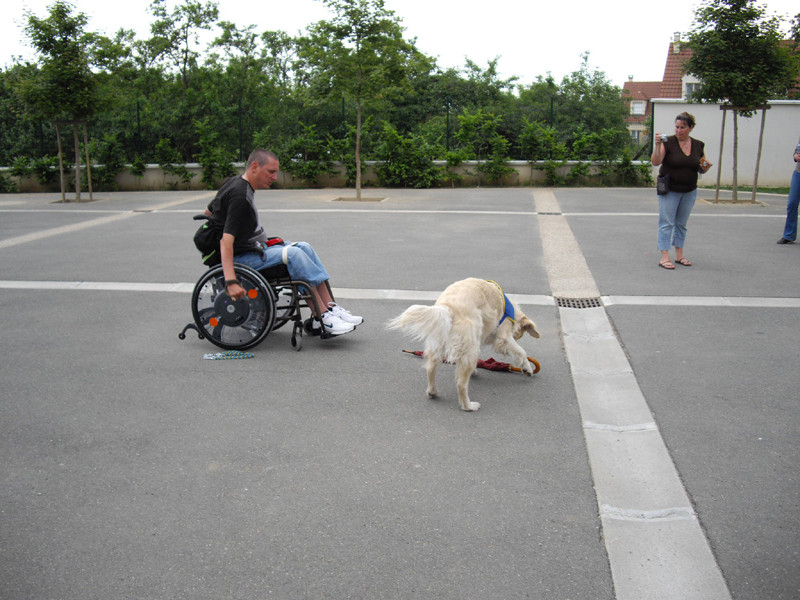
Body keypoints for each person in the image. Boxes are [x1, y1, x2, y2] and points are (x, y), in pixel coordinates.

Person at [204, 149, 362, 336]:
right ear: (255, 166)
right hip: (241, 259)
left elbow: (208, 213)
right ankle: (323, 318)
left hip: (251, 250)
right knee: (294, 255)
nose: (275, 177)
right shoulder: (240, 196)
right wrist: (230, 281)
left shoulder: (235, 182)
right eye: (271, 171)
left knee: (304, 246)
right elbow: (225, 242)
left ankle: (330, 307)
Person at [651, 112, 712, 269]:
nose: (679, 130)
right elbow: (656, 162)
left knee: (681, 223)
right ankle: (664, 256)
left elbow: (701, 167)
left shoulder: (699, 145)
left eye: (683, 127)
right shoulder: (668, 142)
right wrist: (657, 145)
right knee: (666, 223)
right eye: (677, 127)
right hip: (670, 189)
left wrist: (705, 166)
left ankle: (679, 256)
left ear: (691, 128)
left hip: (689, 190)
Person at [777, 137, 800, 244]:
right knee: (792, 203)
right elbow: (797, 151)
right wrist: (795, 156)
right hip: (798, 173)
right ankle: (789, 235)